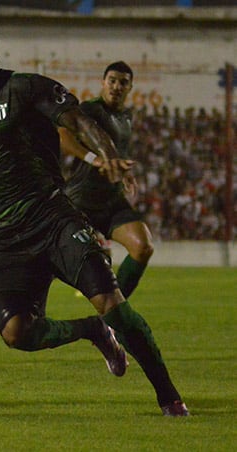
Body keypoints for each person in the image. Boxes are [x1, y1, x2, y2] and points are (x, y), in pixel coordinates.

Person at [0, 18, 188, 416]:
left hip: (53, 222)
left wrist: (107, 154)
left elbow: (78, 121)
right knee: (15, 332)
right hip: (4, 241)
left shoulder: (27, 88)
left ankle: (169, 397)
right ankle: (91, 332)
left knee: (111, 302)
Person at [59, 61, 153, 300]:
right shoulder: (90, 110)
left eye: (123, 82)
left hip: (111, 199)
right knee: (46, 263)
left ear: (130, 87)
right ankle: (0, 303)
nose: (116, 86)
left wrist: (123, 172)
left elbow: (115, 153)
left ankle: (113, 316)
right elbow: (63, 135)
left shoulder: (125, 117)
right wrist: (94, 159)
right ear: (103, 83)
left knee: (142, 247)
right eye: (112, 80)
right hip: (82, 200)